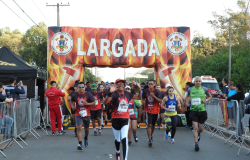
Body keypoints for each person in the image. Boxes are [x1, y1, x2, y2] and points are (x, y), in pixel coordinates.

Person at [104, 79, 141, 160]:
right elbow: (105, 102)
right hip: (115, 119)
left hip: (125, 119)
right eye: (118, 83)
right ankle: (117, 151)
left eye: (122, 83)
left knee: (124, 138)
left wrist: (139, 89)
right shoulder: (113, 94)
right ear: (116, 85)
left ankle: (125, 158)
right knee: (117, 139)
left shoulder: (127, 94)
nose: (120, 85)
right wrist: (109, 92)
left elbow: (139, 97)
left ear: (124, 85)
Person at [186, 76, 212, 151]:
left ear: (201, 82)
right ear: (194, 82)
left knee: (200, 128)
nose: (198, 82)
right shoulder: (190, 89)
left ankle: (199, 134)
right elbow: (187, 96)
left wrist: (206, 100)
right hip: (194, 111)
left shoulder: (204, 89)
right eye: (196, 81)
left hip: (202, 111)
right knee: (195, 127)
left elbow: (210, 96)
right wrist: (187, 102)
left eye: (199, 81)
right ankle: (196, 144)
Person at [71, 82, 95, 150]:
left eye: (82, 87)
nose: (81, 88)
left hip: (87, 114)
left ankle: (86, 137)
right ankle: (80, 144)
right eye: (79, 87)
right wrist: (73, 106)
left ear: (84, 88)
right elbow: (71, 101)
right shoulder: (75, 95)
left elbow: (93, 103)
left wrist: (87, 103)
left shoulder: (88, 94)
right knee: (79, 128)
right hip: (78, 114)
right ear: (77, 88)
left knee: (86, 129)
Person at [142, 79, 162, 147]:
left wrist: (154, 96)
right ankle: (149, 139)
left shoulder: (157, 91)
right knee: (149, 125)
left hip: (156, 110)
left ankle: (151, 135)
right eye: (149, 84)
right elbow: (143, 98)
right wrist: (143, 102)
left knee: (153, 125)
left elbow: (160, 101)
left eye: (151, 84)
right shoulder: (145, 91)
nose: (150, 85)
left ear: (154, 84)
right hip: (148, 110)